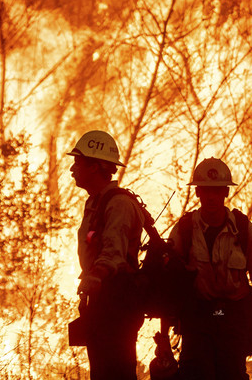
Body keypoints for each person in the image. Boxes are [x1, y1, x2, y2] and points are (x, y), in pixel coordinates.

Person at [168, 157, 252, 380]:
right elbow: (169, 280)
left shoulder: (243, 230)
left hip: (233, 319)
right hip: (198, 318)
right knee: (194, 375)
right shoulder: (184, 230)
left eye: (217, 190)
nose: (211, 196)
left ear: (226, 193)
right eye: (206, 190)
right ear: (197, 192)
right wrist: (165, 331)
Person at [69, 130, 146, 380]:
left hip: (119, 301)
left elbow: (114, 252)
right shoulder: (96, 202)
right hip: (103, 301)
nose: (72, 169)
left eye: (78, 163)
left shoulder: (119, 204)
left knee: (117, 372)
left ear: (94, 167)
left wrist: (96, 275)